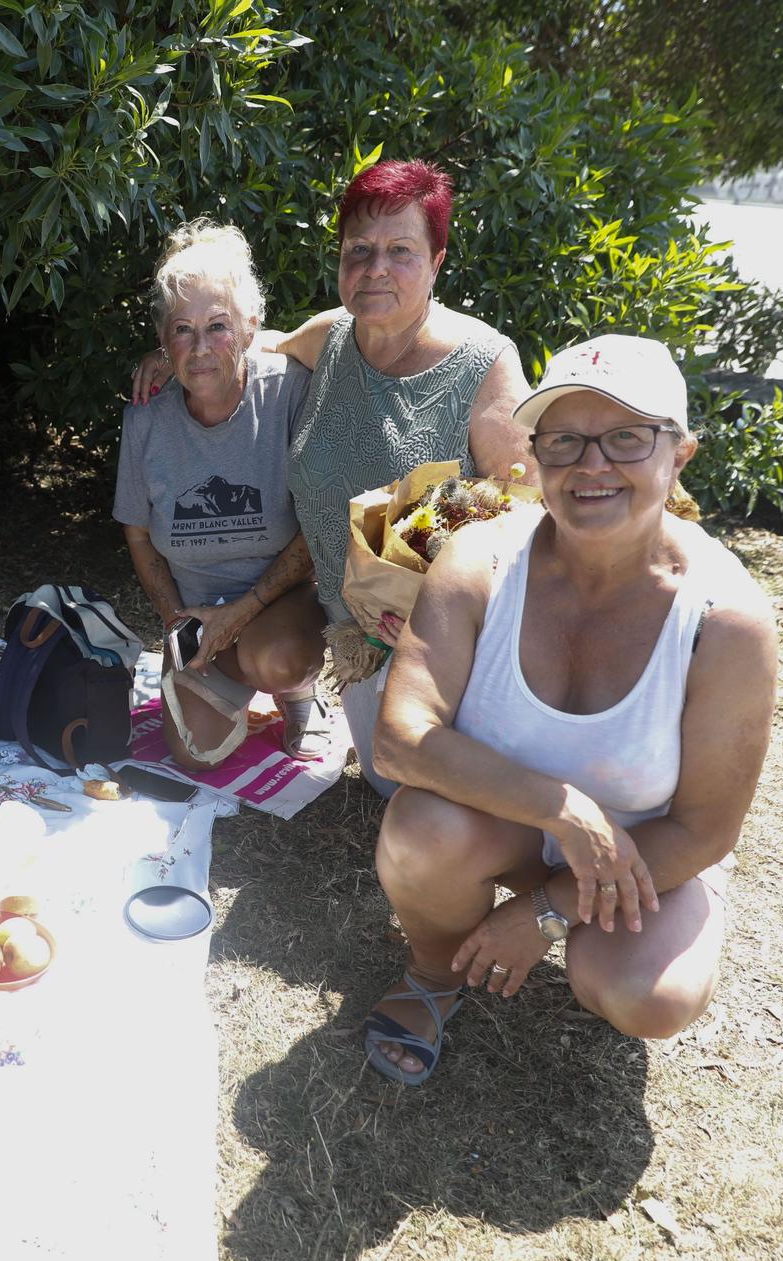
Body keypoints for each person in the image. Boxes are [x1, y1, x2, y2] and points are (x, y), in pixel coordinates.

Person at [363, 334, 776, 1085]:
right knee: (421, 828)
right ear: (534, 455)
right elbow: (398, 739)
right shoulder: (480, 561)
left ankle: (590, 929)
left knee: (649, 995)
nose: (592, 464)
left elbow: (705, 827)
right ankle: (434, 970)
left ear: (678, 453)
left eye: (625, 438)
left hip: (647, 846)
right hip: (508, 825)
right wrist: (564, 811)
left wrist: (547, 911)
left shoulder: (725, 618)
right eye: (565, 439)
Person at [138, 161, 533, 792]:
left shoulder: (485, 365)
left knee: (417, 798)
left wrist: (446, 603)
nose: (376, 268)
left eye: (400, 250)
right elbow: (239, 341)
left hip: (444, 650)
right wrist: (174, 351)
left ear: (437, 261)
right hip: (352, 644)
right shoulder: (331, 337)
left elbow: (531, 518)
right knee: (389, 784)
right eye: (359, 250)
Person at [116, 221, 326, 769]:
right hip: (193, 613)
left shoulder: (289, 392)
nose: (200, 348)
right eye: (182, 330)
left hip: (278, 607)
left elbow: (316, 526)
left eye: (218, 326)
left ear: (252, 327)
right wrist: (175, 621)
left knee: (277, 658)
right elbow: (138, 534)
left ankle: (298, 692)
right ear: (162, 341)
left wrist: (245, 611)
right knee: (194, 754)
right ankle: (221, 667)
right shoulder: (147, 418)